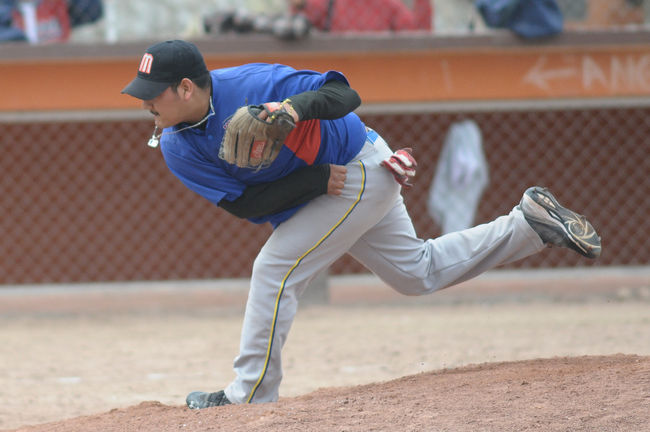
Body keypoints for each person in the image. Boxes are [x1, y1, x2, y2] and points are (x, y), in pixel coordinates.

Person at [121, 39, 601, 409]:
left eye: (152, 94)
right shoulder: (176, 146)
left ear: (186, 88)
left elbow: (343, 94)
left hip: (360, 164)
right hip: (329, 183)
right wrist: (314, 180)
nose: (145, 104)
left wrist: (292, 109)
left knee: (274, 269)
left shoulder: (254, 83)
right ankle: (528, 225)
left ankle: (249, 393)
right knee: (416, 273)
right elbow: (245, 205)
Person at [289, 0, 432, 32]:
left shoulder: (390, 6)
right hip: (336, 79)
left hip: (377, 77)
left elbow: (418, 35)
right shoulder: (328, 4)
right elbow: (294, 22)